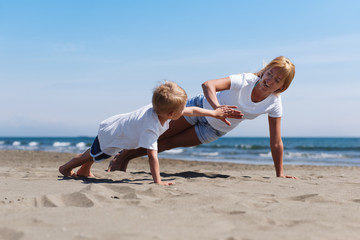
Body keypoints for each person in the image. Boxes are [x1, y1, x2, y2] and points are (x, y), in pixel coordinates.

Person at [107, 56, 297, 179]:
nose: (269, 80)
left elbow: (276, 142)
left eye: (276, 80)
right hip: (199, 108)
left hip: (214, 129)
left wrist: (279, 174)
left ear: (282, 87)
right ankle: (121, 157)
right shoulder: (246, 80)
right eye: (269, 73)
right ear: (264, 71)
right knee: (158, 134)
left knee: (167, 144)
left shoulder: (273, 103)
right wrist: (217, 109)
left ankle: (125, 158)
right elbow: (208, 85)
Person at [59, 81, 243, 185]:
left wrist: (215, 113)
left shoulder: (163, 110)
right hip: (113, 135)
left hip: (118, 128)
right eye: (182, 108)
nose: (184, 110)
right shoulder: (151, 127)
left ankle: (84, 171)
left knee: (96, 154)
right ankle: (66, 168)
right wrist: (158, 181)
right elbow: (152, 157)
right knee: (95, 154)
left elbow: (193, 110)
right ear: (172, 114)